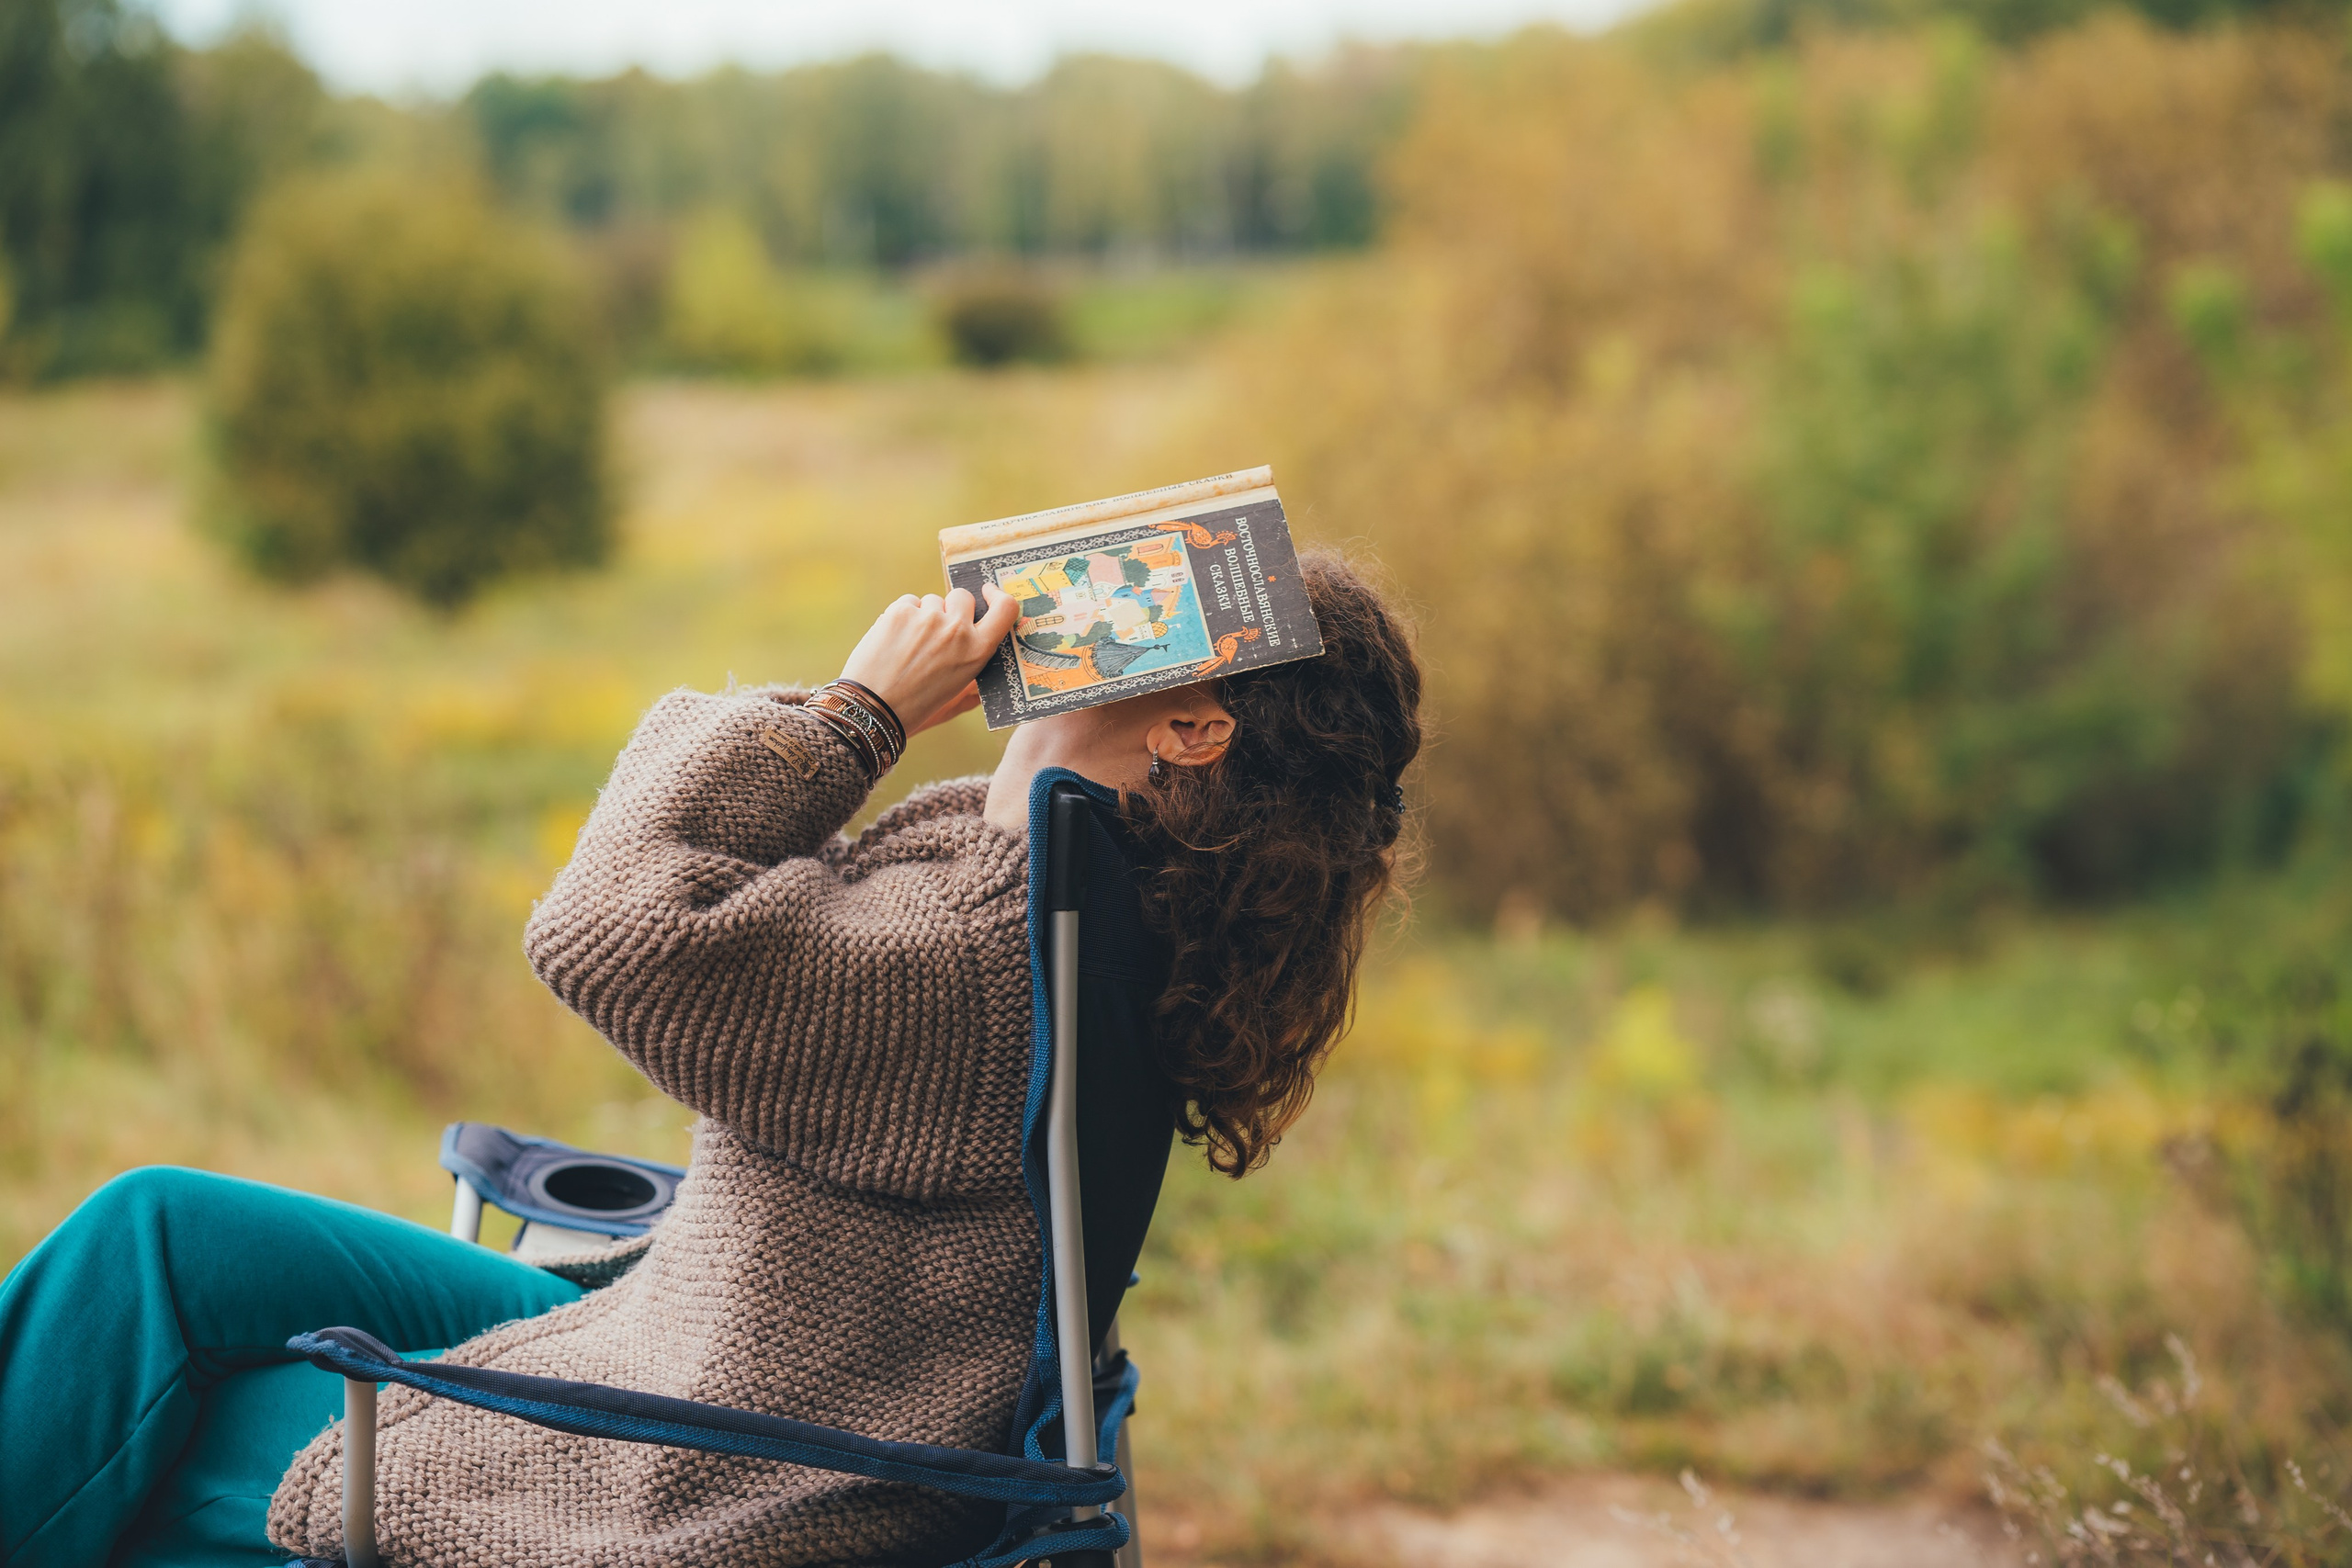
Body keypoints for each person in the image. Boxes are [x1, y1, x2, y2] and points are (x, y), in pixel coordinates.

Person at [0, 551, 1422, 1568]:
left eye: (1164, 607)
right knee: (163, 1235)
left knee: (165, 1429)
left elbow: (609, 929)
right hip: (697, 1330)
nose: (1089, 593)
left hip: (710, 1447)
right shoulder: (1064, 898)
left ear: (1192, 726)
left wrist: (857, 714)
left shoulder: (983, 955)